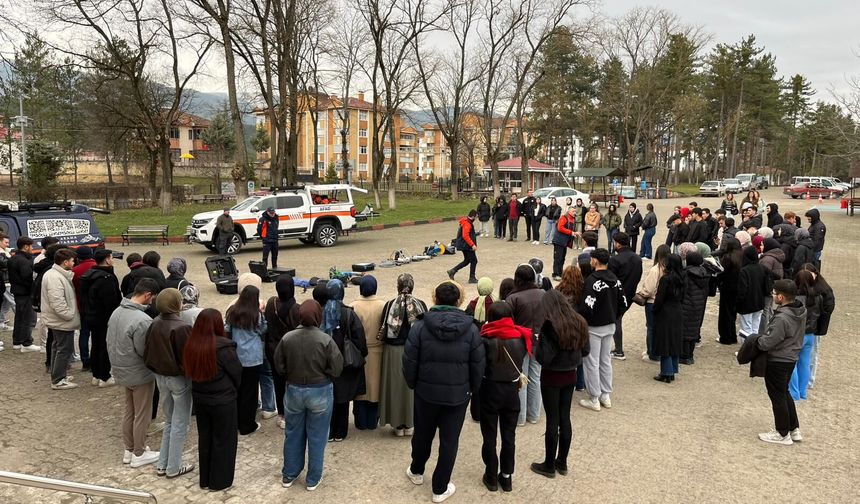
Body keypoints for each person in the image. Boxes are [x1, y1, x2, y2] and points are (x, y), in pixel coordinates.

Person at [404, 281, 485, 504]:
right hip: (457, 396)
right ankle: (439, 487)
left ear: (435, 299)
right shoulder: (471, 330)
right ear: (458, 300)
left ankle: (417, 470)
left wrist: (414, 384)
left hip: (426, 391)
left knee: (423, 433)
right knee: (450, 440)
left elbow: (409, 360)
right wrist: (472, 389)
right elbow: (478, 364)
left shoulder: (419, 327)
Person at [275, 300, 344, 491]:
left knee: (293, 433)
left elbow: (279, 365)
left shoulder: (288, 338)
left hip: (294, 390)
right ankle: (313, 478)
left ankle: (289, 473)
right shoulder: (325, 340)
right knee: (318, 436)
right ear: (318, 316)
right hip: (320, 390)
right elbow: (337, 367)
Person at [530, 290, 589, 479]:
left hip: (552, 376)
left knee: (552, 419)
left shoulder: (549, 326)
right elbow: (586, 350)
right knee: (565, 417)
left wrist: (538, 346)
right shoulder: (579, 321)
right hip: (570, 374)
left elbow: (544, 357)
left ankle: (549, 464)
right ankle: (562, 461)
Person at [183, 308, 241, 491]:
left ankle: (205, 478)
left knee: (205, 438)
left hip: (200, 399)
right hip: (223, 400)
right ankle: (220, 480)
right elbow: (237, 373)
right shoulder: (225, 347)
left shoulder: (192, 345)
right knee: (224, 440)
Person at [107, 278, 160, 468]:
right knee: (142, 413)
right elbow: (144, 350)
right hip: (139, 372)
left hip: (121, 369)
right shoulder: (142, 320)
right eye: (152, 298)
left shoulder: (117, 312)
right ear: (147, 295)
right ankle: (139, 452)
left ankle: (129, 449)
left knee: (129, 410)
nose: (152, 302)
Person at [478, 302, 530, 491]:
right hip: (511, 390)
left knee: (489, 435)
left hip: (490, 389)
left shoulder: (485, 338)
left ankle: (491, 475)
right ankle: (506, 476)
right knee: (509, 436)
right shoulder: (522, 336)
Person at [144, 288, 195, 478]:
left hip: (160, 377)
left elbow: (147, 350)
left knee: (170, 420)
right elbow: (187, 357)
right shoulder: (181, 327)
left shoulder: (155, 323)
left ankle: (163, 464)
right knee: (180, 422)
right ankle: (173, 466)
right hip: (177, 378)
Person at [755, 279, 805, 445]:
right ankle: (793, 428)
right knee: (784, 392)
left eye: (775, 293)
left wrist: (757, 341)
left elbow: (768, 342)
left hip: (778, 359)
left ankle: (782, 432)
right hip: (791, 357)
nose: (772, 295)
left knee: (777, 396)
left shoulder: (782, 318)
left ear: (782, 297)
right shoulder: (799, 310)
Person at [578, 249, 626, 411]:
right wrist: (614, 316)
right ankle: (606, 394)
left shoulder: (591, 280)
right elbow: (623, 303)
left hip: (594, 326)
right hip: (610, 324)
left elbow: (586, 306)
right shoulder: (615, 279)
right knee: (605, 360)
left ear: (595, 261)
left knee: (591, 362)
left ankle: (594, 397)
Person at [379, 274, 427, 436]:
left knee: (395, 388)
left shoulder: (389, 306)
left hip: (393, 352)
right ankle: (411, 423)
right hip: (415, 351)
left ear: (397, 286)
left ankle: (397, 425)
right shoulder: (421, 305)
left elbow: (383, 331)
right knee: (412, 389)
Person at [321, 279, 367, 441]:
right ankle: (340, 432)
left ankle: (329, 431)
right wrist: (362, 354)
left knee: (328, 398)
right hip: (345, 363)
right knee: (343, 398)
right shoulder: (348, 313)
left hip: (325, 363)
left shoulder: (321, 312)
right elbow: (359, 338)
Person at [225, 285, 268, 435]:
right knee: (251, 392)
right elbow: (262, 330)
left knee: (238, 389)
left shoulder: (233, 312)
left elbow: (227, 330)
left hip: (237, 355)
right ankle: (247, 424)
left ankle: (235, 421)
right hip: (253, 357)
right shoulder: (256, 315)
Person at [507, 264, 546, 426]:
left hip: (520, 343)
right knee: (536, 377)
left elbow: (508, 322)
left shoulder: (513, 298)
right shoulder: (543, 294)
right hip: (539, 341)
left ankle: (520, 417)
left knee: (520, 378)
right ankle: (534, 414)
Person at [80, 248, 122, 386]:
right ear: (107, 259)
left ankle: (96, 374)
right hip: (104, 317)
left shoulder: (89, 275)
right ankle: (104, 376)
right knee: (105, 346)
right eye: (111, 257)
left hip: (91, 316)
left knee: (96, 344)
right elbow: (111, 301)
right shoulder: (106, 278)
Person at [264, 275, 301, 429]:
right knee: (292, 383)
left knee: (278, 383)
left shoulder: (271, 303)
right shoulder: (296, 308)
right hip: (290, 351)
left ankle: (282, 415)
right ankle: (292, 413)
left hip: (272, 349)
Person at [350, 275, 386, 430]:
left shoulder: (353, 306)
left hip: (359, 352)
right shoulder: (383, 305)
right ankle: (372, 421)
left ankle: (360, 420)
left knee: (360, 387)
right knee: (375, 387)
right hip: (378, 349)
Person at [42, 248, 81, 390]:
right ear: (65, 262)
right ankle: (58, 379)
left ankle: (58, 373)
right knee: (64, 349)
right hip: (61, 320)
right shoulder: (55, 277)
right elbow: (57, 302)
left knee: (57, 347)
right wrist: (69, 315)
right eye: (72, 261)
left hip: (58, 319)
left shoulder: (57, 274)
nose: (74, 263)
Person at [798, 264, 834, 389]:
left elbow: (828, 308)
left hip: (815, 328)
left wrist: (817, 321)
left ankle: (809, 380)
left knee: (812, 355)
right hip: (804, 328)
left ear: (815, 273)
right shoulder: (801, 289)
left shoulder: (823, 290)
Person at [608, 232, 642, 361]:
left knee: (616, 321)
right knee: (617, 320)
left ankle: (619, 350)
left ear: (618, 243)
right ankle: (618, 349)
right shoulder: (637, 259)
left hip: (617, 295)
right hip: (630, 294)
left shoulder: (615, 260)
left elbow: (611, 280)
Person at [788, 270, 820, 401]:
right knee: (805, 363)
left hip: (797, 334)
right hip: (810, 334)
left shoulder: (796, 298)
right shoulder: (818, 296)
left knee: (792, 363)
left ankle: (794, 393)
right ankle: (803, 392)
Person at [652, 254, 684, 382]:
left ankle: (666, 371)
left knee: (665, 341)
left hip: (665, 311)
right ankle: (672, 369)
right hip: (677, 310)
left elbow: (660, 298)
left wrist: (655, 309)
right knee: (674, 341)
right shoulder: (682, 278)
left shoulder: (666, 279)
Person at [636, 244, 670, 362]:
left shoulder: (656, 269)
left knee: (651, 328)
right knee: (659, 328)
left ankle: (653, 353)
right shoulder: (669, 268)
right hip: (665, 302)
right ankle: (656, 351)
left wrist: (642, 293)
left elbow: (649, 289)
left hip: (653, 301)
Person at [8, 236, 40, 352]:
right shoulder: (24, 261)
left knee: (20, 317)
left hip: (17, 292)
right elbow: (27, 277)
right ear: (26, 247)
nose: (32, 248)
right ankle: (26, 343)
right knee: (29, 318)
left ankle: (17, 341)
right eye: (31, 246)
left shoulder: (14, 258)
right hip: (25, 293)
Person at [736, 246, 770, 345]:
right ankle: (754, 349)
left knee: (746, 328)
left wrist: (737, 302)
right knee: (755, 328)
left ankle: (746, 351)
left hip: (747, 304)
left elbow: (742, 290)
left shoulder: (744, 270)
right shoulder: (762, 268)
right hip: (759, 302)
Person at [680, 252, 709, 365]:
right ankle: (690, 355)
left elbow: (683, 289)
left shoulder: (686, 273)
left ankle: (684, 356)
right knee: (693, 330)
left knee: (684, 331)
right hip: (699, 305)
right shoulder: (704, 273)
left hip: (687, 304)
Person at [71, 246, 97, 370]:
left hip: (82, 305)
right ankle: (95, 359)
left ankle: (85, 360)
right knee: (97, 335)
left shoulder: (74, 270)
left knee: (84, 334)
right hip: (97, 307)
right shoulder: (97, 266)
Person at [716, 237, 742, 344]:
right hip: (738, 288)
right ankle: (732, 336)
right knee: (733, 313)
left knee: (725, 313)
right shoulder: (742, 256)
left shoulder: (727, 257)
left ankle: (725, 337)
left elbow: (721, 273)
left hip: (727, 288)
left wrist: (718, 283)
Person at [447, 209, 479, 284]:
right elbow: (465, 235)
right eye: (476, 217)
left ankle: (452, 271)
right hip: (466, 246)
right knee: (474, 261)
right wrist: (472, 245)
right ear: (473, 216)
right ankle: (472, 278)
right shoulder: (467, 223)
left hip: (464, 245)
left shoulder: (466, 221)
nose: (476, 218)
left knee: (467, 260)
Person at [551, 206, 578, 280]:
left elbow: (570, 230)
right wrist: (571, 232)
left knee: (562, 258)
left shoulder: (573, 219)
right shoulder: (564, 218)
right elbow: (560, 228)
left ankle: (560, 273)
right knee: (558, 258)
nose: (574, 213)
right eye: (573, 211)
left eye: (575, 211)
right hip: (559, 241)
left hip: (564, 242)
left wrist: (574, 233)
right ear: (569, 212)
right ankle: (555, 274)